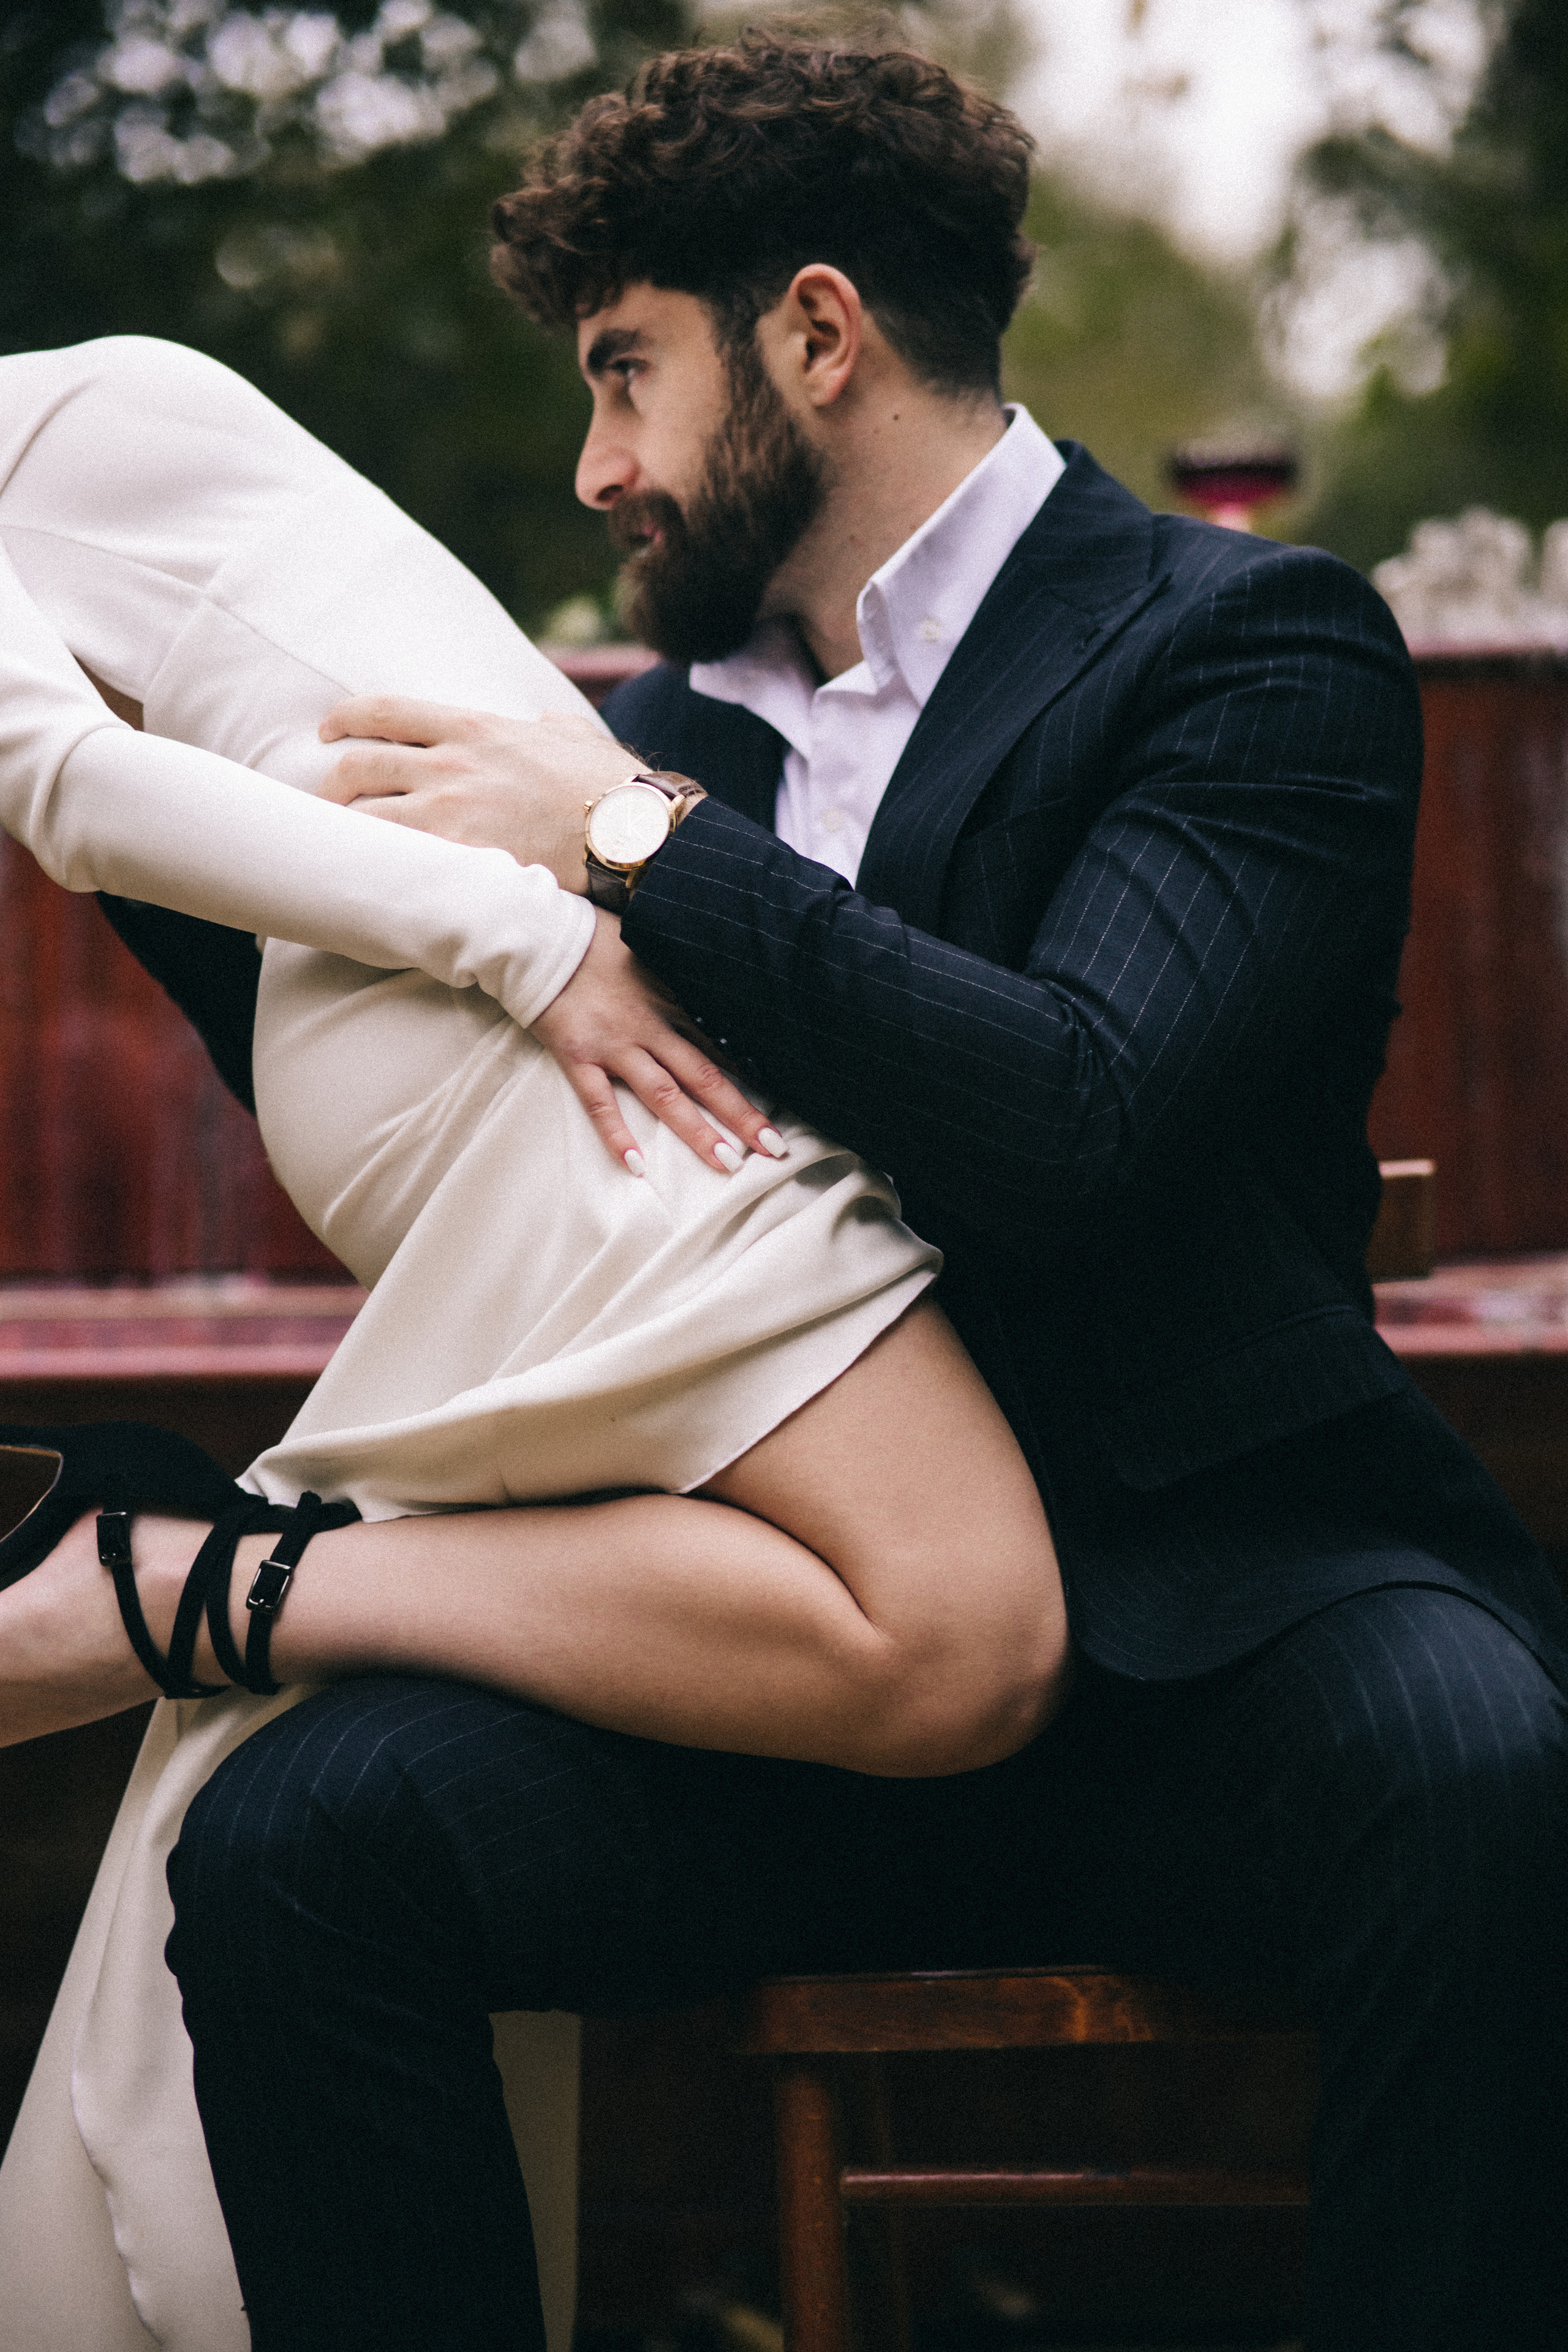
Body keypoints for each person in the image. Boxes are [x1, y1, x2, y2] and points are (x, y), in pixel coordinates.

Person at [9, 28, 1568, 2351]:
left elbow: (1080, 1111)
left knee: (1483, 1771)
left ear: (818, 334)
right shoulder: (620, 737)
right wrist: (162, 770)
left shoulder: (1245, 644)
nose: (598, 466)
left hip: (1226, 1632)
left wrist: (624, 846)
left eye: (626, 370)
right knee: (297, 1847)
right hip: (771, 1667)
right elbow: (445, 1110)